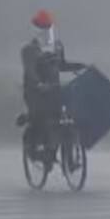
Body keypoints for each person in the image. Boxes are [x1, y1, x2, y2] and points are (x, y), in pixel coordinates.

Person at [20, 10, 85, 170]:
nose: (45, 31)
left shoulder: (56, 46)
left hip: (54, 91)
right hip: (36, 93)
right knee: (44, 121)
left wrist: (81, 66)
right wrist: (38, 84)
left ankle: (69, 160)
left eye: (47, 27)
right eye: (41, 28)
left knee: (66, 121)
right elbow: (30, 71)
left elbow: (61, 65)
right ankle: (41, 153)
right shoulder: (29, 49)